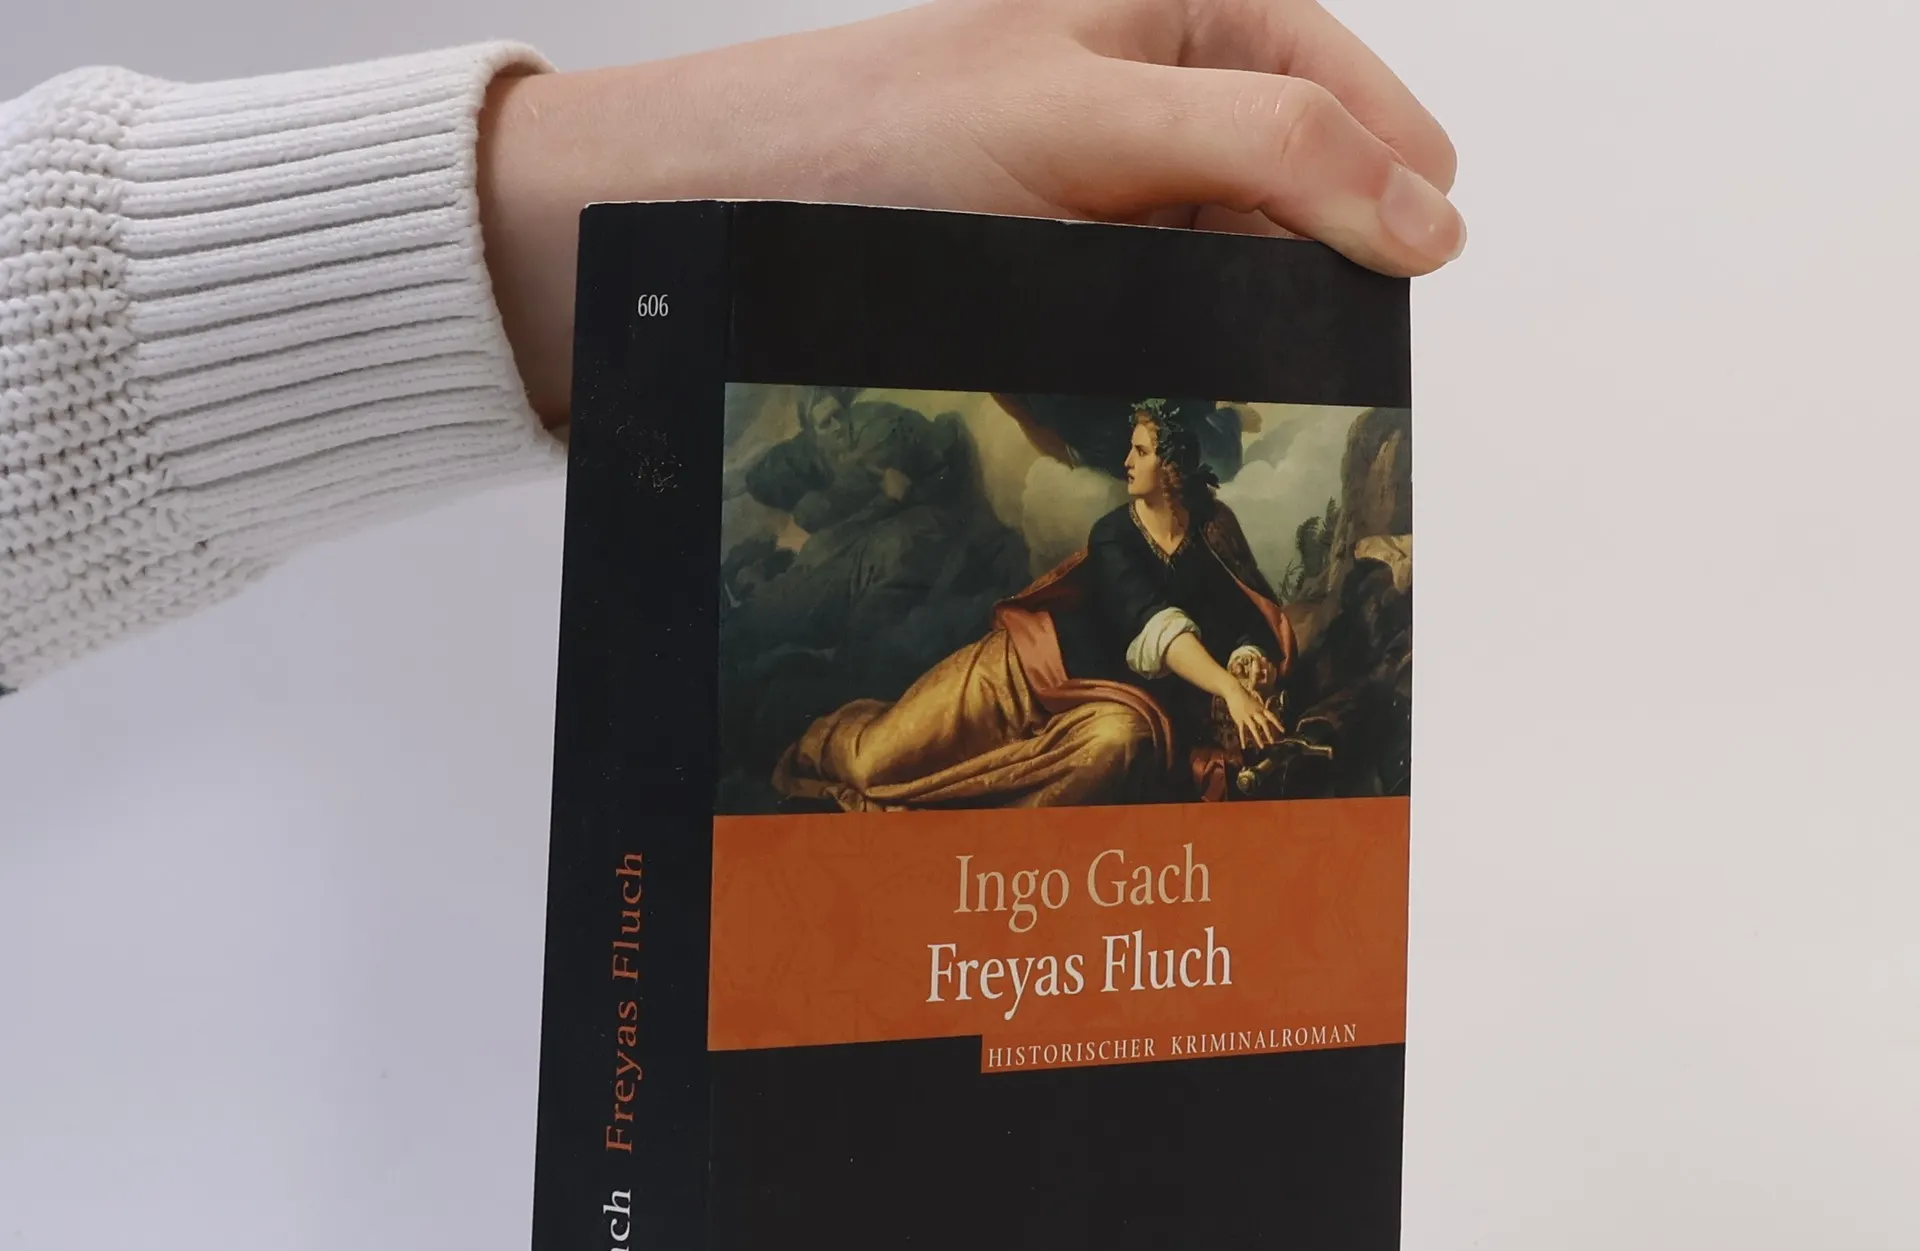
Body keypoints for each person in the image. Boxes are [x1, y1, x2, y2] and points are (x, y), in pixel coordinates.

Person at [0, 0, 1464, 696]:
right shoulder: (1077, 521)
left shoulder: (1185, 521)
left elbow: (1232, 606)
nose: (1140, 460)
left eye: (1151, 447)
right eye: (1133, 445)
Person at [774, 399, 1296, 807]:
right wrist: (1228, 687)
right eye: (1130, 449)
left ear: (1174, 466)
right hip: (1026, 673)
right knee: (872, 764)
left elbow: (1245, 613)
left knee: (1119, 746)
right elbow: (1155, 625)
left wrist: (1246, 657)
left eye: (1140, 452)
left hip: (1108, 708)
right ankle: (813, 742)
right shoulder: (1114, 533)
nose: (1126, 462)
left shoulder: (1213, 531)